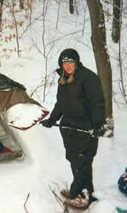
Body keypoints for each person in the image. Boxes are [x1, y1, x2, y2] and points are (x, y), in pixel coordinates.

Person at [40, 48, 106, 209]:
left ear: (77, 63)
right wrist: (52, 120)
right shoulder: (63, 79)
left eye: (71, 63)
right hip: (69, 128)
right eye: (65, 63)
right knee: (75, 160)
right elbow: (60, 104)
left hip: (85, 128)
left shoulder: (88, 78)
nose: (68, 66)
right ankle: (82, 191)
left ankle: (81, 194)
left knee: (81, 162)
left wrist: (98, 125)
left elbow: (97, 103)